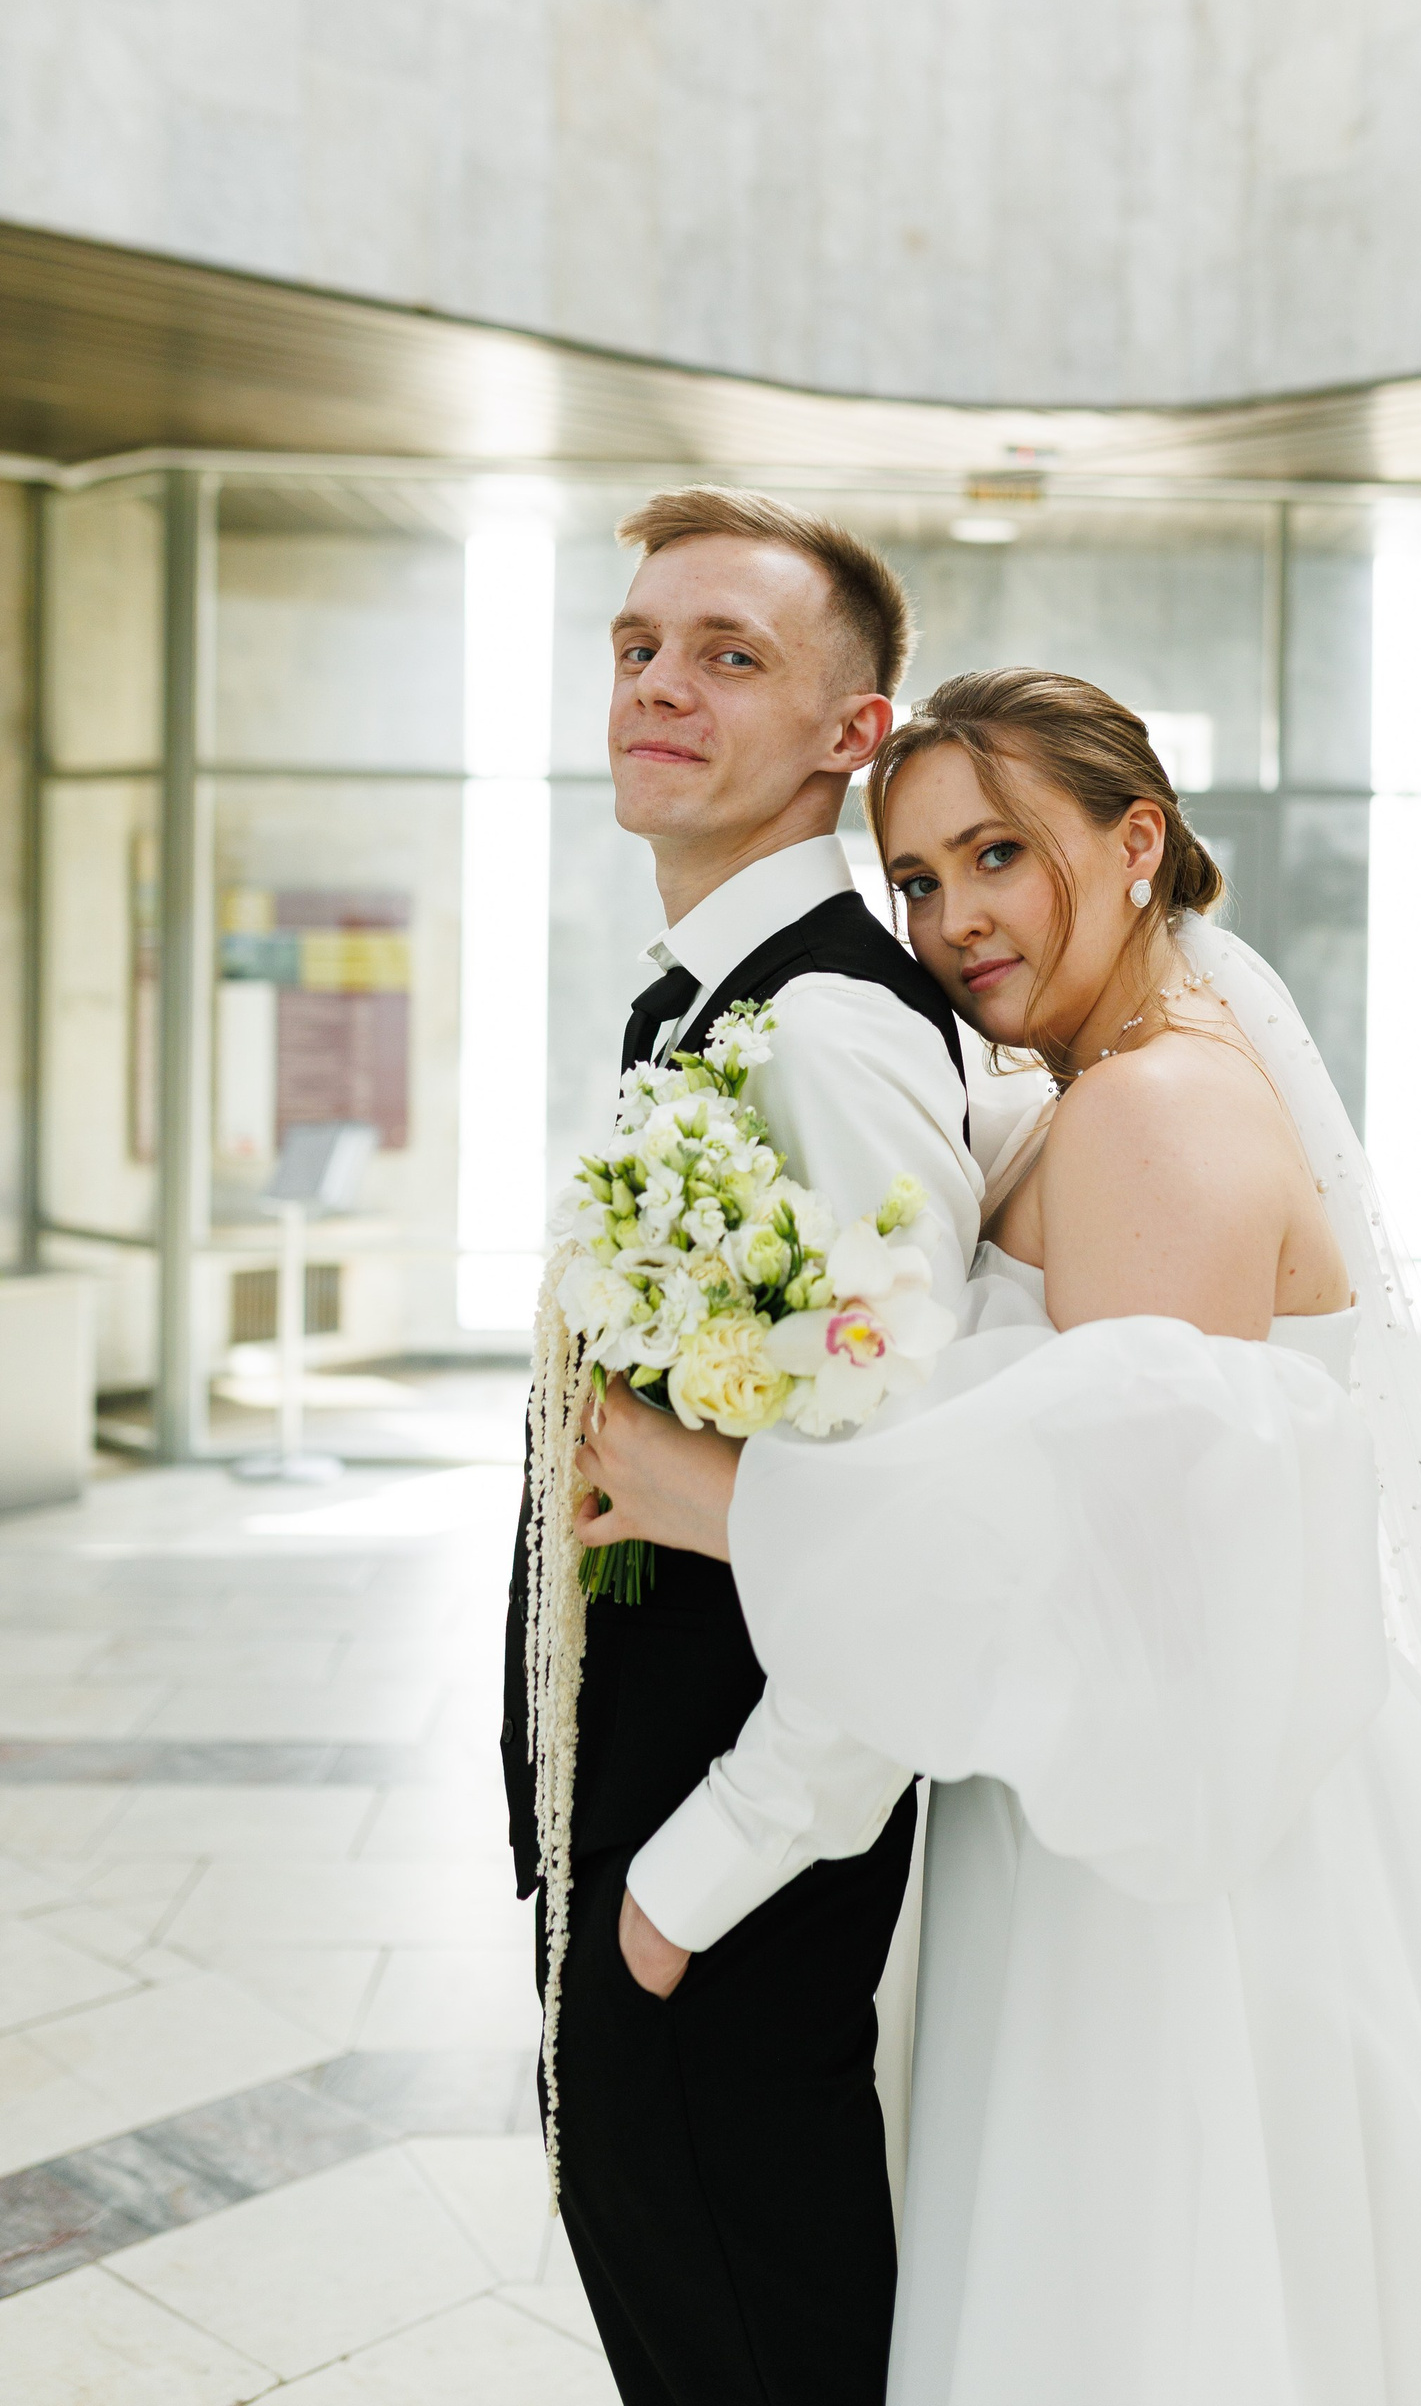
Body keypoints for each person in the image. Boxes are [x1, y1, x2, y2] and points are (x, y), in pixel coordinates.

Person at [583, 664, 1421, 2405]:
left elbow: (1096, 1557)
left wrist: (718, 1505)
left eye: (999, 856)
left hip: (1173, 1874)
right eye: (916, 879)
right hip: (1123, 1797)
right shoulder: (1104, 1087)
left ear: (1137, 845)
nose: (953, 921)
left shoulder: (1156, 1114)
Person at [502, 488, 980, 2406]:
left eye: (728, 655)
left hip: (727, 1879)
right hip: (643, 1820)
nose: (657, 687)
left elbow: (920, 1532)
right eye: (637, 646)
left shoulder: (831, 1035)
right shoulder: (709, 1003)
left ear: (854, 732)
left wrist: (680, 1892)